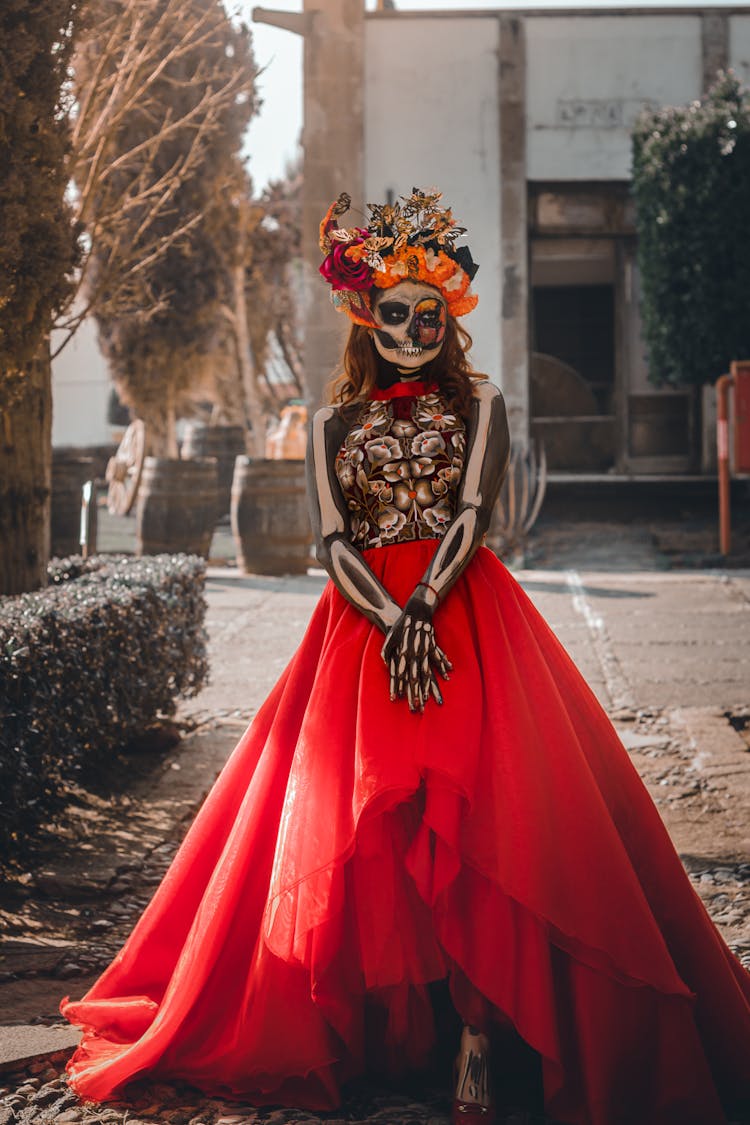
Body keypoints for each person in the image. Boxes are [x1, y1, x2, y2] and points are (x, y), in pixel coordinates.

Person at [61, 189, 750, 1125]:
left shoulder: (483, 402)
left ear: (449, 318)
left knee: (488, 824)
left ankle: (477, 1033)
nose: (416, 330)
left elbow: (477, 515)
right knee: (373, 828)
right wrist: (392, 617)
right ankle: (396, 1031)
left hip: (467, 614)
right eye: (397, 313)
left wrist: (425, 604)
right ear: (366, 317)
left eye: (432, 315)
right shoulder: (330, 423)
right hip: (361, 627)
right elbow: (331, 543)